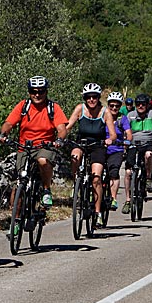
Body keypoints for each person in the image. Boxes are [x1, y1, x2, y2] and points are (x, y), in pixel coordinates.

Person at [0, 75, 69, 209]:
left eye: (41, 91)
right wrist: (3, 134)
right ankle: (16, 220)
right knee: (20, 182)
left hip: (44, 146)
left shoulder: (53, 108)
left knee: (43, 160)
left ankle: (46, 190)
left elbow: (61, 128)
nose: (37, 95)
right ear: (29, 92)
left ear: (46, 91)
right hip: (24, 146)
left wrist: (59, 139)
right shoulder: (23, 106)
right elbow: (9, 123)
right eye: (33, 91)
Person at [66, 83, 117, 226]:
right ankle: (76, 182)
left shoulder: (105, 112)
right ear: (85, 98)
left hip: (98, 146)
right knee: (75, 155)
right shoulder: (79, 109)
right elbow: (68, 126)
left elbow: (113, 134)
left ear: (98, 98)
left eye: (94, 97)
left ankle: (97, 212)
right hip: (81, 143)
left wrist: (109, 140)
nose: (91, 100)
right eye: (88, 97)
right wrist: (61, 136)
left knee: (96, 178)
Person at [121, 93, 152, 215]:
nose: (140, 106)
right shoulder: (131, 115)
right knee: (128, 172)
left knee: (149, 154)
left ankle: (148, 178)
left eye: (143, 104)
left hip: (148, 142)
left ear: (147, 105)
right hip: (133, 144)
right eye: (138, 104)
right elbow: (125, 129)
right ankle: (128, 200)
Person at [104, 92, 132, 211]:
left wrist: (127, 141)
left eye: (117, 106)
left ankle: (113, 198)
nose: (114, 108)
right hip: (102, 148)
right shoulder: (103, 116)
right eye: (111, 105)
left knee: (114, 172)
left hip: (117, 149)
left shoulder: (122, 119)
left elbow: (129, 134)